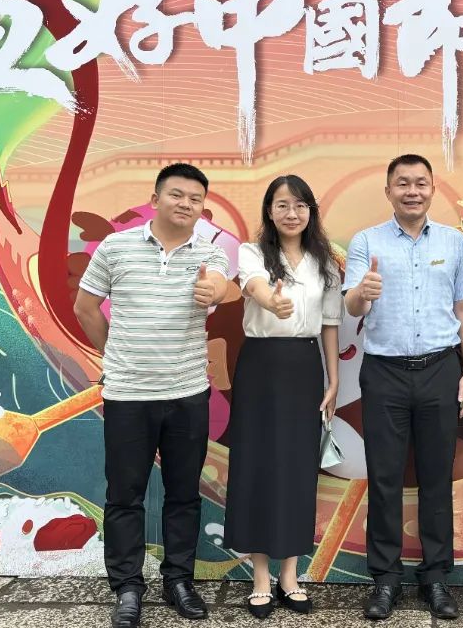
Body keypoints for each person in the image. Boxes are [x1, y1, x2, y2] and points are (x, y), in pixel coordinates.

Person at [74, 163, 230, 628]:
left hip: (187, 394)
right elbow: (85, 307)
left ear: (202, 208)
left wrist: (213, 289)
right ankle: (127, 588)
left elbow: (221, 285)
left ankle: (179, 580)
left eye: (196, 199)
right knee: (125, 496)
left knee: (184, 494)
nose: (186, 204)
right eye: (177, 195)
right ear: (156, 198)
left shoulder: (209, 254)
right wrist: (117, 355)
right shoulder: (116, 247)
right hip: (128, 395)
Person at [343, 153, 463, 621]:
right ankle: (385, 579)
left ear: (432, 189)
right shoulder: (367, 241)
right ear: (389, 191)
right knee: (384, 477)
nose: (412, 191)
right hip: (384, 373)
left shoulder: (453, 241)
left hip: (441, 368)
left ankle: (435, 577)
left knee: (436, 475)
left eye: (420, 183)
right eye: (402, 183)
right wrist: (362, 293)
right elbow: (352, 306)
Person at [223, 175, 342, 619]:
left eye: (300, 205)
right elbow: (254, 285)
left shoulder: (324, 262)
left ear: (310, 211)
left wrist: (333, 381)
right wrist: (271, 303)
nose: (292, 214)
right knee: (256, 466)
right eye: (282, 205)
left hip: (305, 366)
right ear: (269, 211)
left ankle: (289, 577)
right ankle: (259, 577)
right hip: (260, 365)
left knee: (297, 469)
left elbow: (330, 324)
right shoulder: (252, 252)